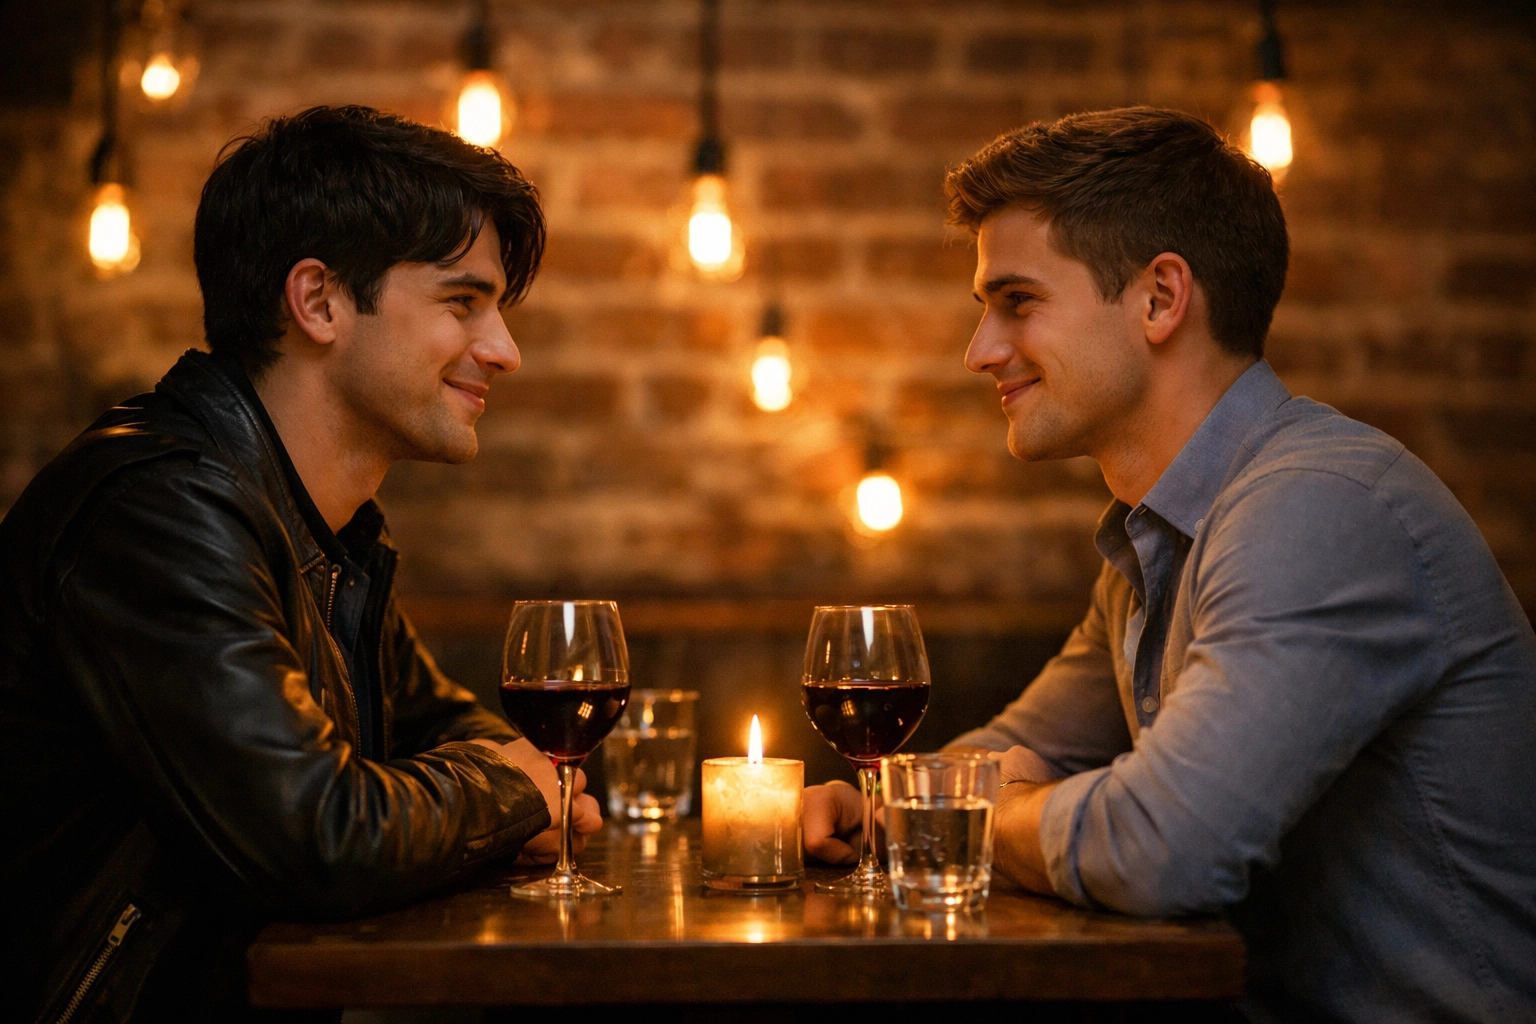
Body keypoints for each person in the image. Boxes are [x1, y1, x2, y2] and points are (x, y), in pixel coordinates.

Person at [803, 108, 1536, 1023]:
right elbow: (1018, 750)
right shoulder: (1156, 540)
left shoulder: (1317, 508)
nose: (979, 350)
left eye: (1017, 301)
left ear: (1160, 299)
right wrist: (876, 804)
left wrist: (980, 812)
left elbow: (1161, 848)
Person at [0, 105, 602, 1022]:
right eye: (462, 302)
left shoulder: (331, 530)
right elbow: (318, 832)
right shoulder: (161, 508)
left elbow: (450, 736)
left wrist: (748, 816)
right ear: (318, 301)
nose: (504, 351)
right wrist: (518, 789)